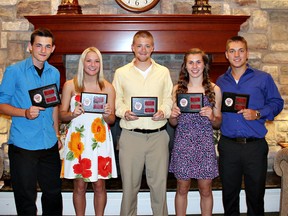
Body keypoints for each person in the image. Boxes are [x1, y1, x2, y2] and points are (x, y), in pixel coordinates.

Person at [216, 36, 284, 216]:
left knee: (255, 196)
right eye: (232, 51)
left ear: (247, 54)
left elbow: (277, 103)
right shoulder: (220, 82)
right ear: (226, 55)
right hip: (228, 146)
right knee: (229, 195)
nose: (236, 55)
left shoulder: (263, 78)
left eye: (240, 50)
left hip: (254, 146)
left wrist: (258, 113)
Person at [0, 28, 63, 215]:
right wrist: (25, 112)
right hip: (23, 146)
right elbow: (1, 105)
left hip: (49, 144)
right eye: (38, 45)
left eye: (47, 46)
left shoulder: (54, 73)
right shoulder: (14, 71)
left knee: (53, 195)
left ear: (53, 49)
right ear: (30, 47)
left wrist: (57, 134)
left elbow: (54, 106)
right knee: (26, 198)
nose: (43, 50)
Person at [112, 30, 173, 216]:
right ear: (132, 48)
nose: (143, 49)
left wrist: (164, 111)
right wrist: (124, 112)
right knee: (129, 187)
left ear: (153, 48)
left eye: (147, 45)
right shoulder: (121, 73)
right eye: (139, 45)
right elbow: (117, 100)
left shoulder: (163, 72)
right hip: (131, 136)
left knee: (159, 188)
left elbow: (168, 98)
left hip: (158, 136)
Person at [59, 47, 117, 216]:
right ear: (82, 63)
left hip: (99, 140)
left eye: (97, 61)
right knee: (79, 185)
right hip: (78, 141)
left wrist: (107, 114)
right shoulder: (71, 85)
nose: (93, 64)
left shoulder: (107, 87)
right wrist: (72, 113)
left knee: (99, 185)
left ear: (100, 64)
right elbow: (62, 115)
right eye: (89, 60)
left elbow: (112, 120)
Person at [169, 48, 222, 216]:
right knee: (182, 188)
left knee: (205, 189)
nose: (194, 66)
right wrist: (173, 115)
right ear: (185, 66)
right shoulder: (177, 89)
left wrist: (212, 116)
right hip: (183, 144)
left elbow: (218, 122)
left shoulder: (214, 90)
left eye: (198, 62)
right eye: (190, 62)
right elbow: (173, 123)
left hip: (204, 145)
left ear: (204, 65)